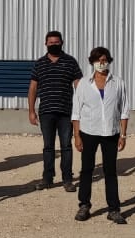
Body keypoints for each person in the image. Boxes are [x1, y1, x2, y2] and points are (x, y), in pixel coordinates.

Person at [72, 47, 129, 225]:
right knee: (87, 169)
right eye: (98, 60)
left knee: (110, 171)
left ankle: (113, 209)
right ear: (92, 62)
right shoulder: (83, 83)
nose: (101, 63)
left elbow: (124, 110)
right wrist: (77, 136)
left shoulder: (118, 82)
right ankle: (84, 205)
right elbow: (76, 112)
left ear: (109, 61)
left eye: (104, 60)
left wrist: (123, 134)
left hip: (110, 133)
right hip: (88, 131)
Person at [28, 31, 83, 191]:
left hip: (66, 112)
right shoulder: (40, 63)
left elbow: (78, 85)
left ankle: (67, 179)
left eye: (56, 42)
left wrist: (81, 109)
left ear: (62, 42)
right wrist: (31, 111)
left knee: (66, 146)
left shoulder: (70, 62)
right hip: (46, 112)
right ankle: (47, 178)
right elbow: (33, 87)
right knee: (48, 147)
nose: (53, 45)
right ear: (46, 44)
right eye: (51, 42)